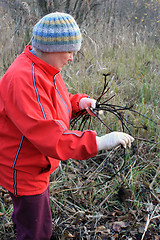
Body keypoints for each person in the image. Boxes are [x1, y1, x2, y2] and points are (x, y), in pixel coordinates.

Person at [0, 12, 134, 240]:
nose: (72, 57)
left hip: (36, 165)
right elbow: (51, 137)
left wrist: (79, 103)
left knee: (36, 221)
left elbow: (51, 104)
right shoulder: (25, 78)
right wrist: (100, 142)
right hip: (24, 169)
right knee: (36, 232)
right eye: (69, 51)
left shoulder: (44, 69)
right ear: (50, 48)